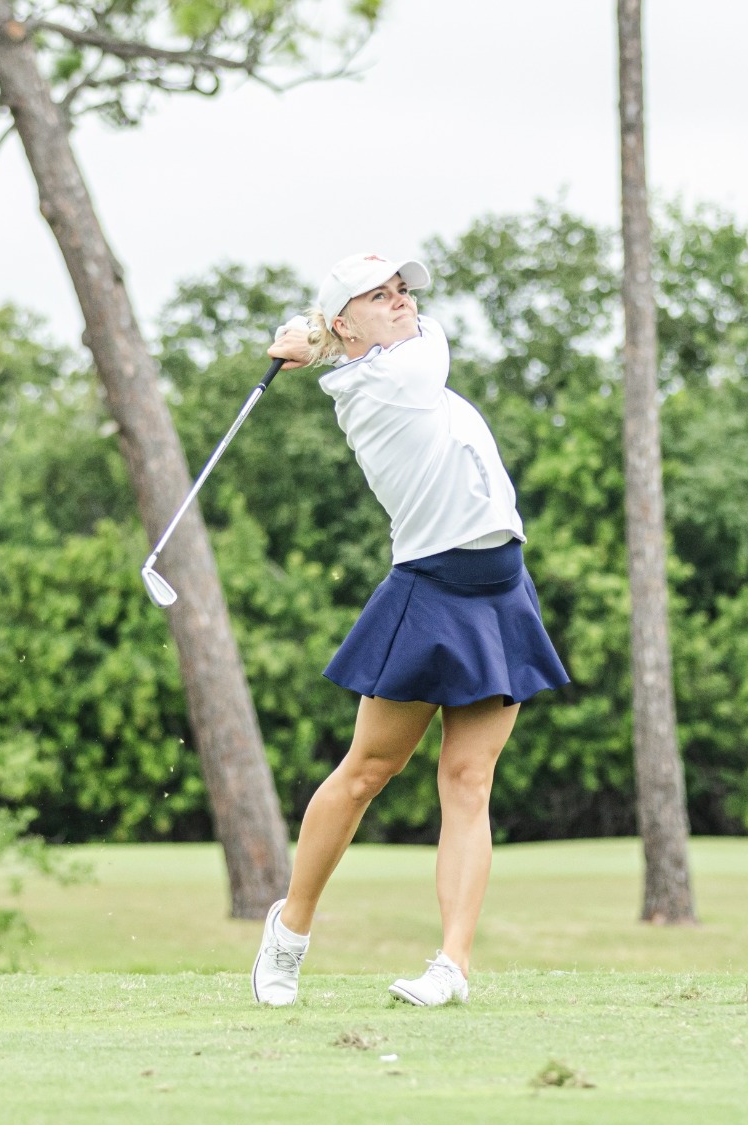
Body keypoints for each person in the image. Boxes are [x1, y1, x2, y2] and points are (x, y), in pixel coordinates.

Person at [250, 252, 570, 1007]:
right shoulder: (383, 384)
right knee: (368, 771)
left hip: (499, 589)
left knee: (469, 780)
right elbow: (429, 342)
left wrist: (312, 337)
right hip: (432, 590)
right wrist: (316, 342)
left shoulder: (402, 367)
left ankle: (452, 965)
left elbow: (408, 337)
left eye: (403, 291)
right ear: (345, 322)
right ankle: (288, 932)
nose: (401, 302)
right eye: (379, 295)